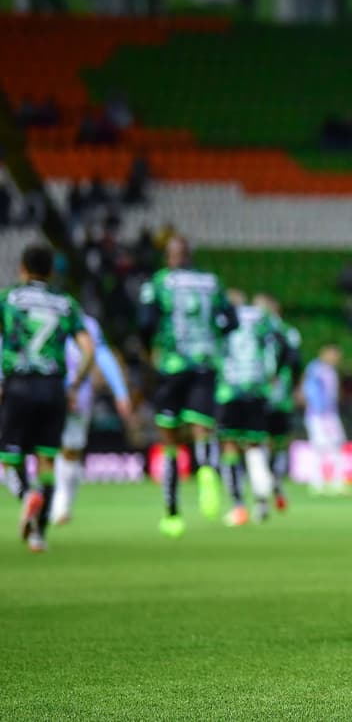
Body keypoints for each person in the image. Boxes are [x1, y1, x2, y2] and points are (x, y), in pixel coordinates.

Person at [138, 236, 238, 537]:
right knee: (202, 428)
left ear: (169, 257)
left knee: (169, 440)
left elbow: (145, 321)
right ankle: (207, 470)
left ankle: (172, 514)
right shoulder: (211, 282)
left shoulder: (159, 282)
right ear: (190, 256)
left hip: (172, 363)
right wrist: (213, 338)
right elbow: (231, 321)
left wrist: (149, 350)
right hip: (204, 362)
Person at [0, 243, 95, 553]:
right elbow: (89, 349)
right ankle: (38, 536)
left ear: (23, 269)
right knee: (46, 463)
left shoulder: (9, 298)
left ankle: (27, 496)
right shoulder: (65, 303)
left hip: (19, 384)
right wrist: (75, 384)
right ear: (51, 271)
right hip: (54, 388)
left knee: (9, 459)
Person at [50, 310, 133, 526]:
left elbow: (102, 355)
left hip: (76, 394)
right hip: (51, 391)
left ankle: (61, 501)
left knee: (70, 448)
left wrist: (121, 391)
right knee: (54, 447)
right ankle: (58, 501)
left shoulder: (87, 323)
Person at [215, 291, 280, 526]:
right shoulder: (261, 318)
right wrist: (270, 377)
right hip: (256, 387)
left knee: (230, 445)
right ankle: (262, 501)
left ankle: (238, 506)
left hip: (230, 389)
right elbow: (276, 346)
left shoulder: (221, 317)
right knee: (255, 445)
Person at [255, 294, 302, 512]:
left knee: (269, 443)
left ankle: (268, 491)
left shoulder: (281, 333)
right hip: (269, 396)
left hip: (271, 396)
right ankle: (270, 490)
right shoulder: (286, 333)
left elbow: (295, 362)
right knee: (269, 444)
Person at [302, 345, 347, 495]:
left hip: (330, 414)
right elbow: (310, 390)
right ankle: (317, 483)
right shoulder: (315, 369)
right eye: (333, 354)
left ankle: (337, 482)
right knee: (319, 448)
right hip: (318, 415)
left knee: (336, 446)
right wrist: (319, 410)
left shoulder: (331, 371)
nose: (336, 358)